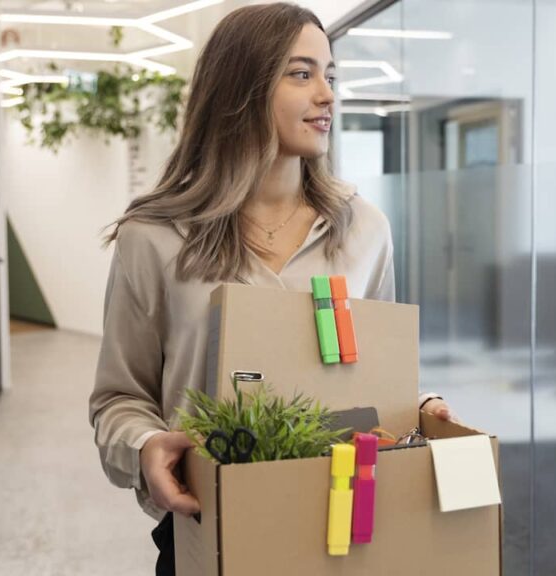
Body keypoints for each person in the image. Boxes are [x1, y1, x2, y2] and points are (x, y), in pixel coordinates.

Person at [88, 4, 454, 574]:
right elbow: (119, 400)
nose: (328, 94)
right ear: (241, 88)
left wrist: (419, 404)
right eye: (302, 73)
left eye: (330, 75)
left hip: (347, 534)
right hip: (211, 531)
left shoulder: (365, 231)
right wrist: (144, 448)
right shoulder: (155, 237)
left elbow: (375, 381)